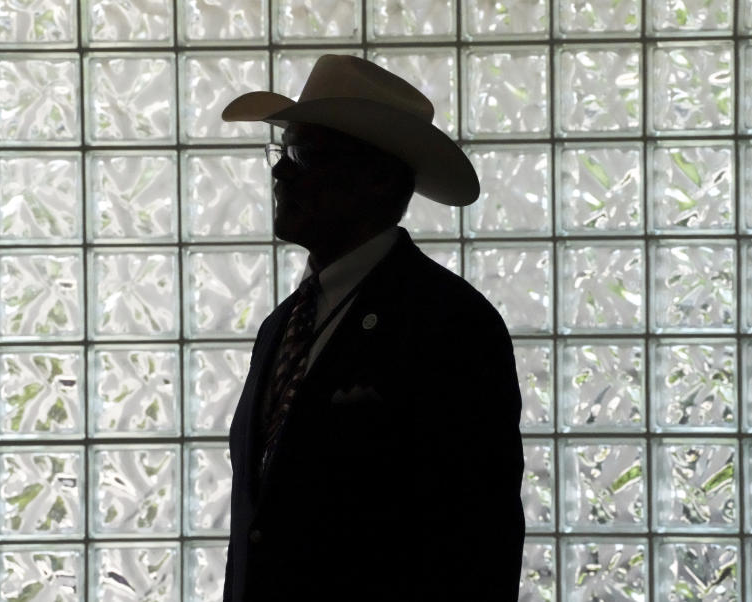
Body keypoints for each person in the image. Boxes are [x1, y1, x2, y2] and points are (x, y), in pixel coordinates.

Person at [219, 54, 525, 601]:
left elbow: (479, 546)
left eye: (306, 153)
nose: (281, 170)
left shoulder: (451, 325)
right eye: (284, 149)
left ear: (378, 182)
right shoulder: (281, 326)